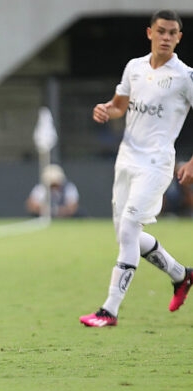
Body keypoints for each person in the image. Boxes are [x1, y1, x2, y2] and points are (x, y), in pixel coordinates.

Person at [80, 10, 193, 327]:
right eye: (161, 31)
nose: (167, 37)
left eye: (173, 33)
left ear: (179, 38)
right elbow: (119, 105)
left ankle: (109, 310)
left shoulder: (185, 76)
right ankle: (181, 275)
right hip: (127, 159)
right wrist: (106, 110)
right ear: (150, 33)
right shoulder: (134, 67)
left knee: (130, 229)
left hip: (156, 163)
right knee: (126, 236)